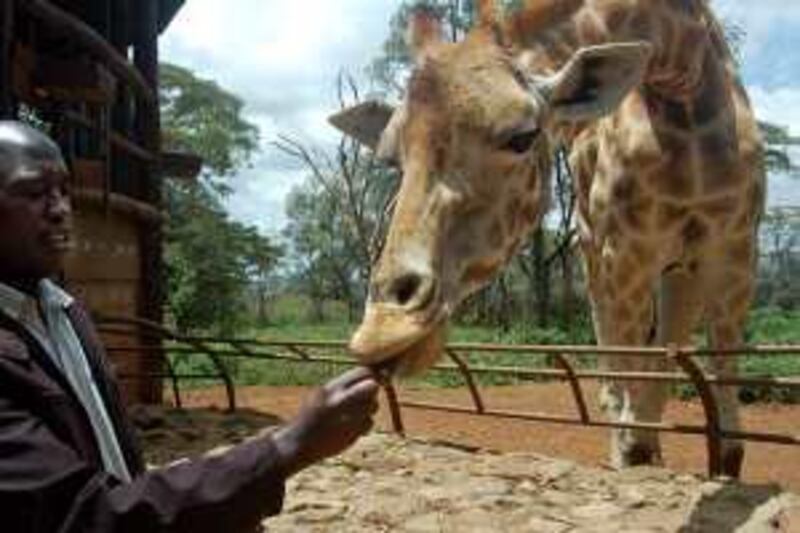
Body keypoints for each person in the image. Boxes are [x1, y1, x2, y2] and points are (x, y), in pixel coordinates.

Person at [0, 121, 381, 532]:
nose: (60, 209)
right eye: (35, 193)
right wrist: (287, 447)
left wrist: (221, 508)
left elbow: (120, 473)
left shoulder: (64, 312)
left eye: (64, 191)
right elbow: (86, 516)